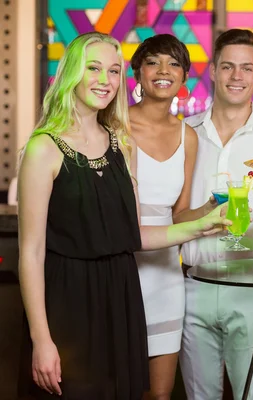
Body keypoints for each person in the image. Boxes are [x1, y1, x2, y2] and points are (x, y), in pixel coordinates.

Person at [17, 32, 229, 399]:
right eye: (94, 68)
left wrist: (201, 224)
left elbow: (132, 235)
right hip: (68, 301)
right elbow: (31, 254)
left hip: (120, 297)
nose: (105, 80)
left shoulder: (118, 144)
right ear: (71, 73)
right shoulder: (43, 147)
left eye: (113, 71)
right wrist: (41, 339)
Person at [177, 29, 253, 399]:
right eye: (227, 66)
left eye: (246, 68)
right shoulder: (184, 133)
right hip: (193, 284)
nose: (236, 76)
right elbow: (172, 213)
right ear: (212, 70)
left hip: (252, 287)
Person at [129, 34, 203, 399]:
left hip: (166, 276)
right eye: (153, 62)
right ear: (138, 74)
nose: (163, 70)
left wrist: (212, 212)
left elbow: (180, 214)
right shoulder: (114, 127)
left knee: (159, 395)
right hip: (120, 268)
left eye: (173, 63)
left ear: (184, 78)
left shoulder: (188, 136)